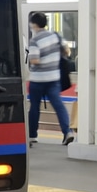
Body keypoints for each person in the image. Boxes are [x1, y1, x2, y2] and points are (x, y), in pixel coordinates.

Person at [26, 12, 73, 146]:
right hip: (54, 78)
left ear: (33, 24)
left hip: (38, 80)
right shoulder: (55, 36)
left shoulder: (34, 40)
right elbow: (66, 51)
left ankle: (32, 135)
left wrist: (42, 60)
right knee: (59, 106)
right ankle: (67, 132)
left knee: (34, 107)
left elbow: (34, 60)